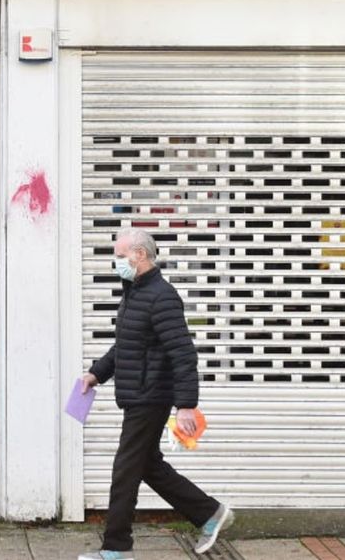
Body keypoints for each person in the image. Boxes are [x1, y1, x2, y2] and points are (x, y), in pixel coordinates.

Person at [78, 228, 232, 559]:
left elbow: (183, 353)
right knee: (147, 466)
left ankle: (116, 549)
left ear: (141, 256)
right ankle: (210, 513)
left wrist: (187, 405)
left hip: (150, 397)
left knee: (125, 471)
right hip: (139, 394)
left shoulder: (161, 296)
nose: (116, 262)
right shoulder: (135, 292)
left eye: (121, 256)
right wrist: (96, 373)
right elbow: (126, 346)